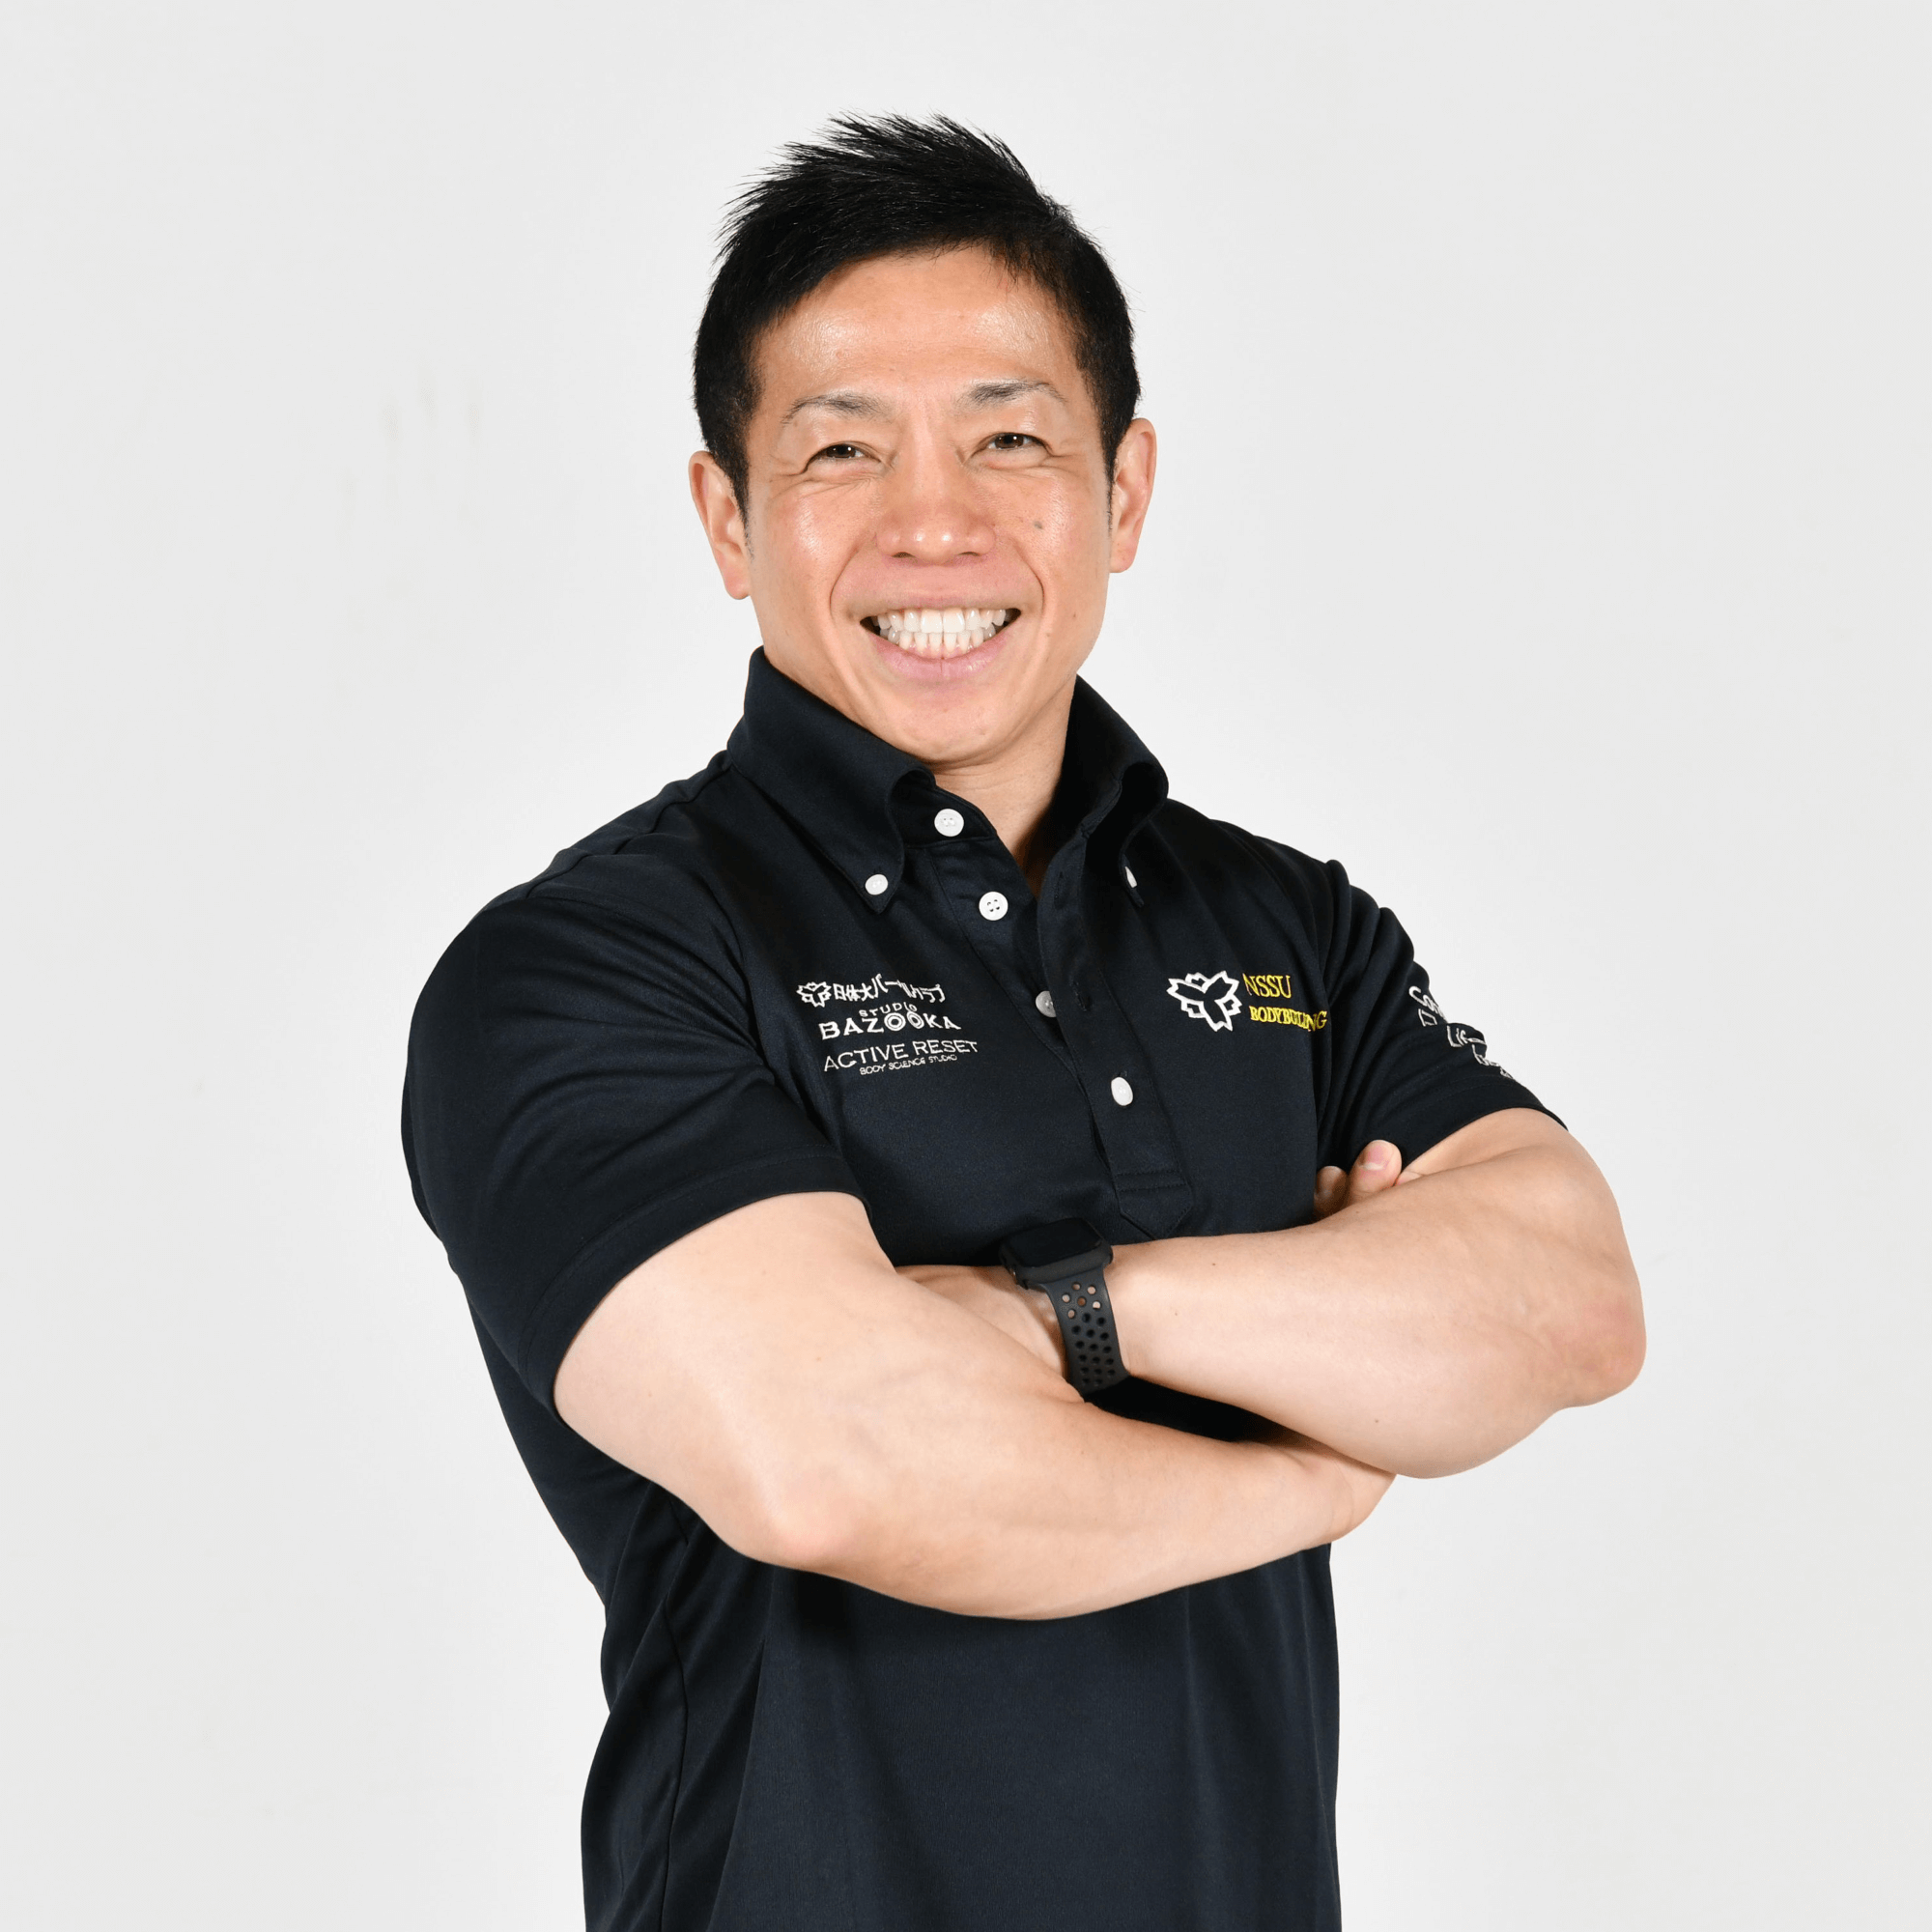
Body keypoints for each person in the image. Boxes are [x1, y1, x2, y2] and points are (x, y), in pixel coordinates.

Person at [402, 116, 1644, 1932]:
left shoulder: (1287, 925)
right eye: (842, 449)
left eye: (1010, 438)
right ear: (727, 520)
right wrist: (1314, 1463)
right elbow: (835, 1462)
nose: (937, 523)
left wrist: (1069, 1310)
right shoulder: (589, 967)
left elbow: (1566, 1304)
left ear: (1123, 491)